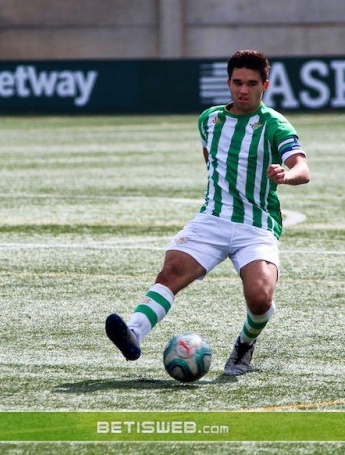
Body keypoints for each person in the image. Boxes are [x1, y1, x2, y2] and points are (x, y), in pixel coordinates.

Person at [106, 49, 310, 375]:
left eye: (252, 84)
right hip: (213, 218)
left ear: (265, 85)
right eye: (238, 82)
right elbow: (211, 157)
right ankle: (134, 333)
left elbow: (302, 167)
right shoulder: (210, 119)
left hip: (256, 226)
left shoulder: (275, 125)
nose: (244, 90)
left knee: (259, 297)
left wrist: (286, 175)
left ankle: (244, 346)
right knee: (171, 271)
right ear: (228, 83)